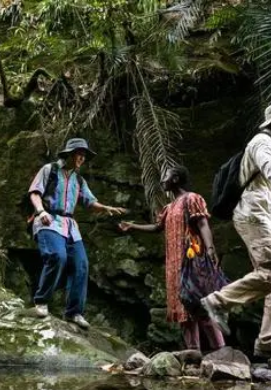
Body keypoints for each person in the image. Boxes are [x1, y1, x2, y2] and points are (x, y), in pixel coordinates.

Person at [199, 100, 271, 362]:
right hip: (255, 219)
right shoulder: (262, 144)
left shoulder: (270, 146)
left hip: (263, 220)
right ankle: (218, 302)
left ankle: (269, 343)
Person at [119, 166, 226, 352]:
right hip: (174, 267)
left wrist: (210, 248)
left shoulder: (191, 199)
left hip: (192, 262)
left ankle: (221, 351)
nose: (162, 181)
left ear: (175, 179)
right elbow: (156, 227)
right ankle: (193, 353)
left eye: (165, 177)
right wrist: (132, 226)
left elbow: (202, 223)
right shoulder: (169, 208)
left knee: (200, 305)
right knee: (183, 311)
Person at [28, 137, 127, 329]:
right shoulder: (50, 170)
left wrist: (106, 207)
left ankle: (74, 312)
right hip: (48, 220)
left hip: (70, 226)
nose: (81, 158)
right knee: (57, 256)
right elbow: (34, 192)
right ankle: (41, 301)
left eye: (84, 155)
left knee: (81, 264)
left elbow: (89, 202)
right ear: (69, 154)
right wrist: (41, 211)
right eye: (79, 154)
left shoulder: (78, 179)